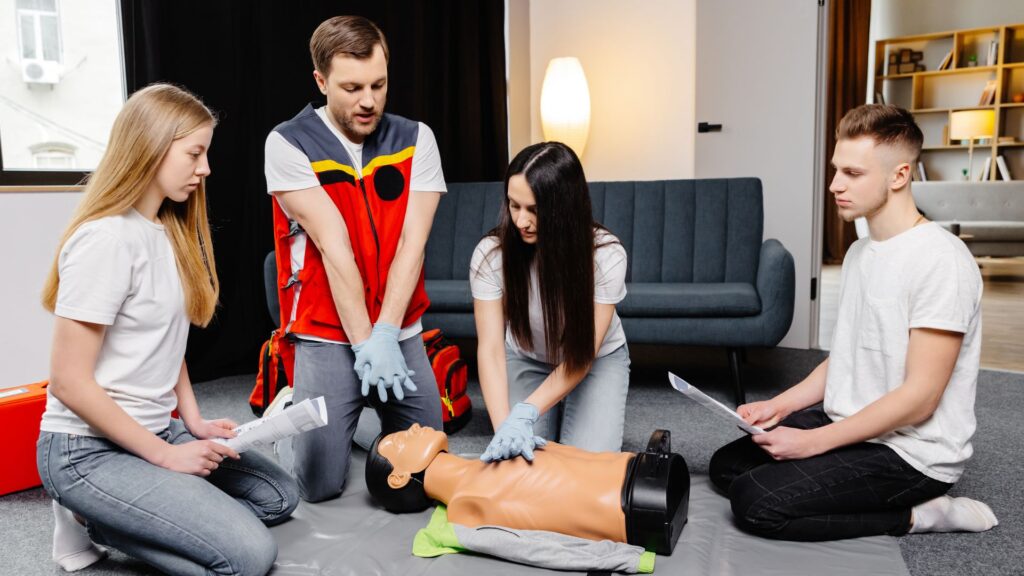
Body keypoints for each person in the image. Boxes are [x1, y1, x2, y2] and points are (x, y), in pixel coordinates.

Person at [35, 84, 298, 576]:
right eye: (195, 153)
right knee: (248, 557)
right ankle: (92, 517)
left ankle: (135, 508)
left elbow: (164, 341)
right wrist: (166, 458)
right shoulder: (106, 241)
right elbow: (69, 382)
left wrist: (193, 421)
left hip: (158, 428)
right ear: (151, 147)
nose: (206, 168)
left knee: (278, 496)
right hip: (84, 451)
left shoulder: (166, 231)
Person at [708, 104, 998, 541]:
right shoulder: (861, 253)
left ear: (899, 176)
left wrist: (810, 444)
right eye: (835, 170)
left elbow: (921, 399)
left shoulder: (942, 261)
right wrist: (780, 405)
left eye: (853, 174)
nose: (834, 185)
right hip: (852, 422)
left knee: (756, 502)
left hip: (911, 453)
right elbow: (847, 357)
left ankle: (926, 515)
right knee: (726, 467)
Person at [264, 15, 445, 502]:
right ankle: (291, 409)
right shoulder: (287, 143)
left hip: (397, 327)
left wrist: (386, 334)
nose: (368, 100)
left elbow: (413, 244)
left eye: (378, 85)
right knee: (320, 485)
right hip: (326, 332)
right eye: (351, 87)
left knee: (430, 466)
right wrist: (365, 344)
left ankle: (356, 414)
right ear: (321, 81)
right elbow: (332, 243)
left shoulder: (417, 138)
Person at [470, 142, 630, 463]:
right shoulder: (491, 253)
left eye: (534, 209)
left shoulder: (606, 256)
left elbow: (581, 356)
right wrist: (506, 426)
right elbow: (489, 348)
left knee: (583, 468)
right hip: (527, 358)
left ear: (564, 208)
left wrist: (528, 410)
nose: (520, 221)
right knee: (517, 463)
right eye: (514, 205)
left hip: (594, 360)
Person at [365, 423, 688, 554]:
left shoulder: (480, 467)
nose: (415, 427)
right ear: (399, 477)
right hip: (633, 505)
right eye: (400, 440)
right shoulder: (466, 505)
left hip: (639, 470)